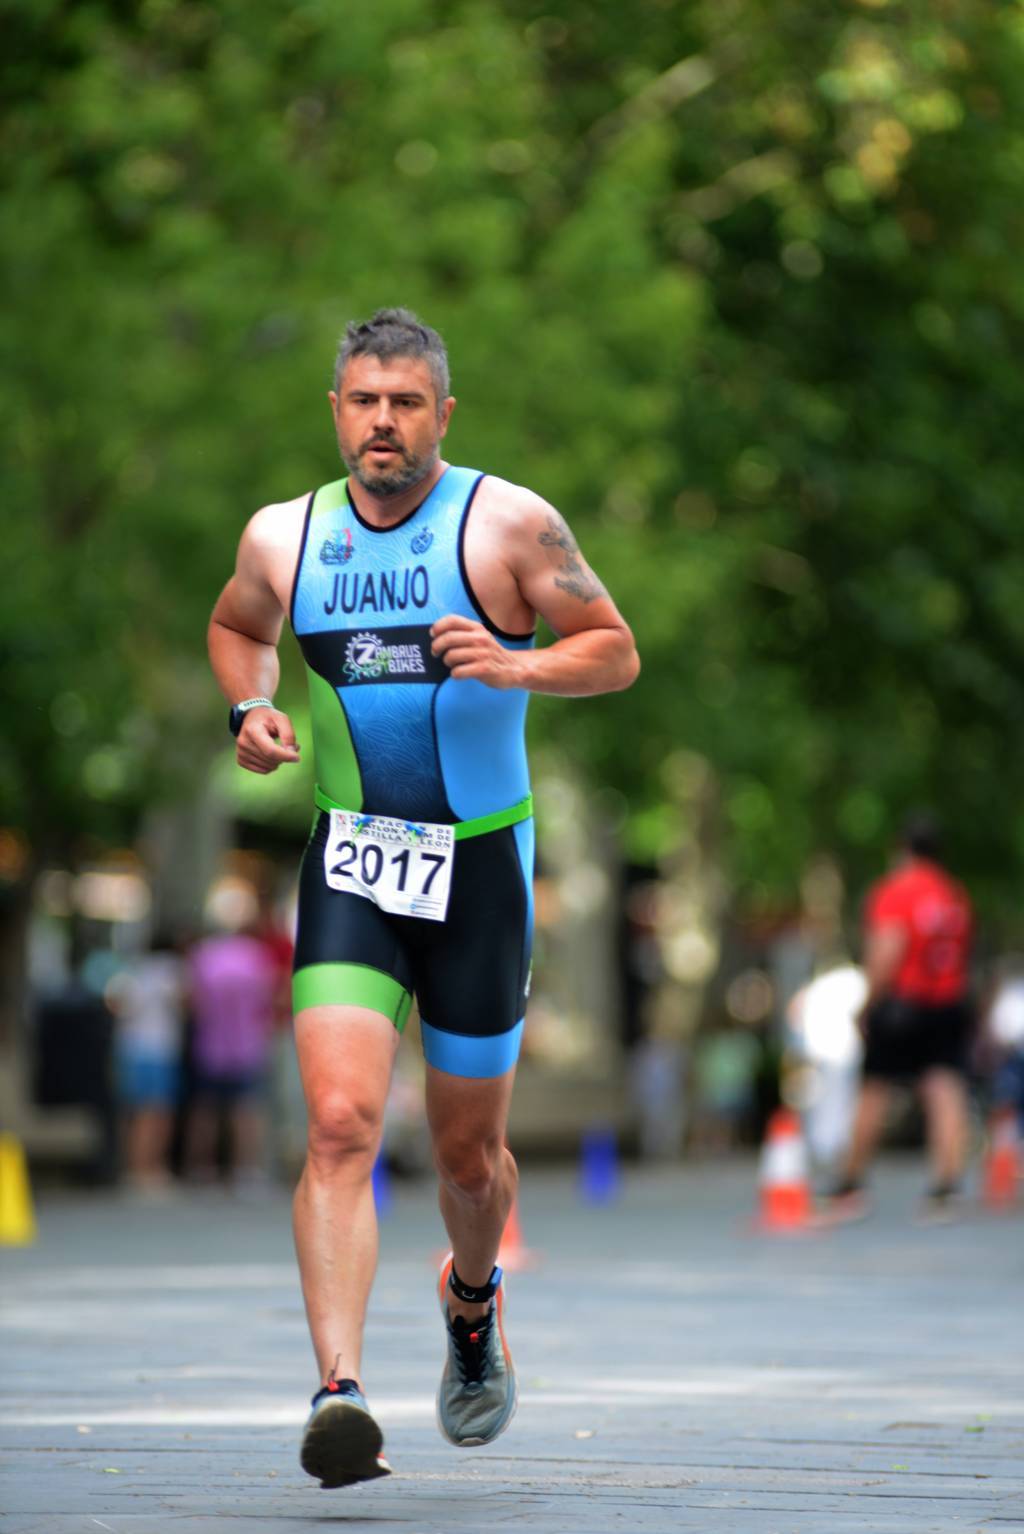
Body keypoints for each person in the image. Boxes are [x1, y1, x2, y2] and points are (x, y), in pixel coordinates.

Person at [206, 308, 639, 1488]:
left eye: (405, 402)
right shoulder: (284, 535)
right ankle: (338, 1392)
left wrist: (519, 661)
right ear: (335, 410)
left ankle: (471, 1298)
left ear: (442, 412)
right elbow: (238, 626)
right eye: (364, 400)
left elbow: (612, 646)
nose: (383, 421)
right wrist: (251, 706)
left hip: (480, 871)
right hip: (352, 860)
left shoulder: (508, 521)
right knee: (340, 1123)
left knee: (467, 1157)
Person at [825, 814, 974, 1222]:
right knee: (945, 1089)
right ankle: (946, 1187)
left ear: (902, 848)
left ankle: (850, 1182)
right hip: (947, 1002)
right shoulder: (953, 894)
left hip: (903, 1004)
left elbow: (888, 950)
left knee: (875, 1089)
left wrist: (867, 1003)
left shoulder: (896, 891)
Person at [185, 922, 279, 1188]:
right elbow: (271, 999)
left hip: (210, 1045)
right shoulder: (256, 956)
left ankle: (201, 1169)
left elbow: (192, 1002)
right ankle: (246, 1170)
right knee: (246, 1112)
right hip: (248, 1046)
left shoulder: (204, 955)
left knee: (205, 1111)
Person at [109, 933, 187, 1194]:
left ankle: (132, 1168)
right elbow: (186, 1004)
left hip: (130, 1049)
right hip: (159, 1050)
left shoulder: (133, 970)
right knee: (156, 1114)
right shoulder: (171, 970)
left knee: (134, 1113)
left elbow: (115, 1004)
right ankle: (149, 1170)